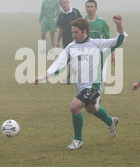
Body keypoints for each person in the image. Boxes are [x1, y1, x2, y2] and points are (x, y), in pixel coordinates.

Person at [34, 16, 128, 150]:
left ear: (85, 31)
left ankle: (78, 141)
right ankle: (111, 122)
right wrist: (42, 77)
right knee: (92, 109)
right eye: (72, 32)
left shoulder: (97, 44)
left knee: (74, 107)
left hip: (94, 85)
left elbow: (118, 41)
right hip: (81, 86)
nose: (73, 35)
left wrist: (119, 26)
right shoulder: (71, 47)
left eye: (76, 32)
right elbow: (58, 64)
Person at [55, 0, 82, 83]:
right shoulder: (61, 14)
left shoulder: (75, 12)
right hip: (65, 39)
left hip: (75, 38)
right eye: (61, 4)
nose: (63, 5)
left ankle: (70, 77)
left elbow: (81, 24)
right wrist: (57, 41)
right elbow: (61, 29)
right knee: (69, 57)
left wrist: (78, 36)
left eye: (64, 3)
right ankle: (71, 77)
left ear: (68, 2)